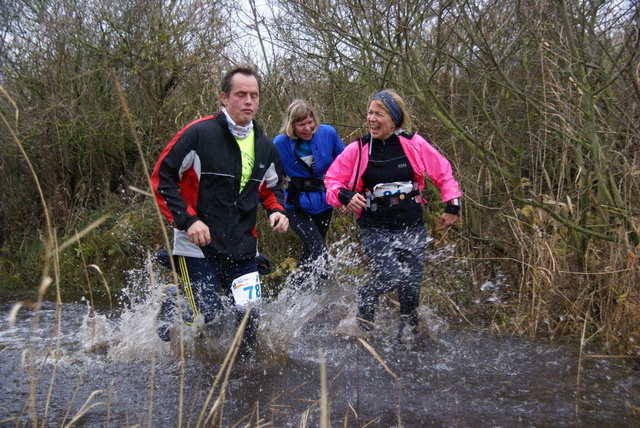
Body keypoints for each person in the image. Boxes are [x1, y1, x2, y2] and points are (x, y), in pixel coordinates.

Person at [151, 65, 289, 346]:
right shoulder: (198, 134)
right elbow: (162, 180)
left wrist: (277, 211)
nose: (249, 101)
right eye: (241, 94)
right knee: (211, 320)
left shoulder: (265, 146)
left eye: (254, 95)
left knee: (249, 326)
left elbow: (272, 187)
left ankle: (242, 385)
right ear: (224, 98)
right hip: (196, 247)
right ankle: (175, 300)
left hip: (243, 248)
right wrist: (188, 221)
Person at [324, 89, 462, 335]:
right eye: (369, 113)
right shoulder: (358, 149)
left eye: (379, 113)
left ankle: (408, 340)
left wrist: (452, 205)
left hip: (411, 225)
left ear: (395, 118)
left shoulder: (413, 144)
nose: (372, 119)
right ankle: (364, 320)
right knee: (391, 275)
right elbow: (332, 181)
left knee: (411, 287)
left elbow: (443, 172)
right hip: (375, 227)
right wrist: (346, 195)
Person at [273, 100, 345, 284]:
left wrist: (347, 193)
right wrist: (275, 207)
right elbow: (271, 178)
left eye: (310, 122)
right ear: (291, 125)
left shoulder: (328, 133)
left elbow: (345, 162)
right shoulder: (280, 143)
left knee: (310, 254)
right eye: (301, 124)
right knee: (320, 251)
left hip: (324, 203)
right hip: (296, 205)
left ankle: (296, 294)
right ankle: (327, 294)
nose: (307, 128)